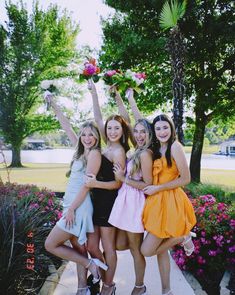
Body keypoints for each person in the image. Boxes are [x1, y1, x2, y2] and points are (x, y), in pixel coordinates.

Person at [119, 89, 196, 295]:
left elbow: (186, 179)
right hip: (155, 204)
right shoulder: (153, 148)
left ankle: (183, 236)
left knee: (147, 250)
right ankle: (167, 290)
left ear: (171, 128)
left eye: (165, 127)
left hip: (171, 200)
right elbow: (139, 122)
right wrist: (130, 99)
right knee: (162, 251)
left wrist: (159, 187)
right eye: (158, 128)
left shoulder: (175, 147)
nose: (162, 131)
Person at [43, 92, 108, 295]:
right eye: (84, 134)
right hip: (71, 203)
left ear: (97, 137)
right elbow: (66, 126)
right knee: (78, 248)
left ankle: (91, 264)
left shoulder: (95, 153)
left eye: (91, 134)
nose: (87, 138)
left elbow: (88, 185)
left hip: (79, 206)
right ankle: (82, 289)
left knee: (50, 244)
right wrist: (53, 104)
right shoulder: (79, 150)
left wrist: (71, 209)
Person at [85, 79, 130, 295]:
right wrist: (94, 92)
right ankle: (103, 278)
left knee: (108, 248)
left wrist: (94, 184)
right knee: (93, 247)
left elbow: (117, 184)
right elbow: (98, 117)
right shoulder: (106, 145)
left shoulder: (119, 151)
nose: (112, 131)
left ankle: (109, 287)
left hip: (109, 204)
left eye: (116, 128)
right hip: (96, 202)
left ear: (122, 131)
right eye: (109, 128)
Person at [107, 88, 153, 295]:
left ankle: (139, 286)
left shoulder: (146, 154)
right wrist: (122, 97)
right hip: (123, 199)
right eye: (137, 131)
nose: (139, 134)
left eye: (143, 132)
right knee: (118, 244)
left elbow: (147, 186)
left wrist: (123, 178)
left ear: (149, 134)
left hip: (134, 201)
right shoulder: (137, 149)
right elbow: (129, 119)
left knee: (135, 248)